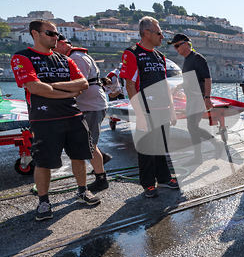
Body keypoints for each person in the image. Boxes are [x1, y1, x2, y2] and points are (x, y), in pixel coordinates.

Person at [10, 19, 100, 221]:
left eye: (57, 34)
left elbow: (83, 84)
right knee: (43, 162)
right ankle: (43, 202)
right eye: (50, 33)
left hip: (74, 116)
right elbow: (34, 87)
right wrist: (67, 91)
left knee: (79, 156)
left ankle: (83, 192)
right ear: (35, 33)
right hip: (44, 119)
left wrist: (52, 86)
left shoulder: (64, 59)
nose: (55, 38)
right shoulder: (22, 57)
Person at [120, 16, 179, 198]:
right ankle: (148, 184)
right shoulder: (132, 53)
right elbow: (130, 86)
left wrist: (171, 109)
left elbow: (164, 84)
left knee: (161, 147)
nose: (162, 36)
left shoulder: (160, 56)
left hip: (162, 109)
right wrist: (140, 114)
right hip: (145, 110)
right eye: (159, 32)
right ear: (147, 33)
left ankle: (164, 178)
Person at [54, 34, 111, 192]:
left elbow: (80, 85)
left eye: (54, 45)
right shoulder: (77, 55)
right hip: (89, 104)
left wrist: (55, 93)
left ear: (63, 44)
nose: (52, 49)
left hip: (91, 105)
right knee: (89, 143)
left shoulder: (76, 58)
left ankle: (101, 179)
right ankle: (101, 158)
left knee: (89, 144)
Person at [169, 33, 224, 166]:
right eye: (174, 47)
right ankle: (199, 156)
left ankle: (216, 144)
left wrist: (207, 98)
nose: (176, 49)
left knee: (192, 126)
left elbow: (207, 78)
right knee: (192, 128)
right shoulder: (187, 60)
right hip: (191, 98)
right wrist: (177, 87)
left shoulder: (197, 58)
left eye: (177, 45)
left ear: (186, 43)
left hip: (199, 98)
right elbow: (188, 82)